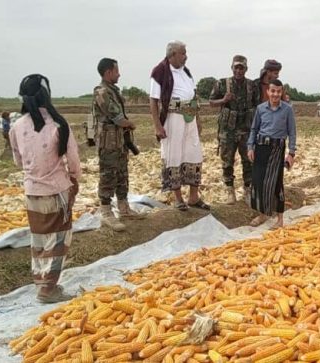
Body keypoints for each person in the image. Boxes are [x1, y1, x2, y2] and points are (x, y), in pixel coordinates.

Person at [9, 74, 80, 303]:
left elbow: (18, 161)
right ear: (46, 95)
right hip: (56, 192)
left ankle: (41, 282)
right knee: (58, 241)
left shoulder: (17, 126)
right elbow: (73, 160)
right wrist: (74, 180)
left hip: (32, 192)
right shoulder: (58, 123)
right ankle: (48, 289)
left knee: (39, 240)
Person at [149, 40, 210, 211]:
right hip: (173, 117)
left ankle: (193, 197)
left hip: (189, 116)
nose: (186, 56)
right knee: (173, 155)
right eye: (183, 53)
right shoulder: (160, 71)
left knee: (194, 153)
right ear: (173, 54)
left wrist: (198, 119)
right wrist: (157, 125)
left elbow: (194, 96)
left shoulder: (186, 72)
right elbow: (153, 100)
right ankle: (178, 198)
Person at [93, 58, 139, 232]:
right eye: (116, 71)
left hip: (119, 142)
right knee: (108, 175)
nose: (119, 74)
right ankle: (106, 212)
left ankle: (124, 208)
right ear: (108, 72)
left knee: (121, 174)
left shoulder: (113, 91)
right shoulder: (102, 92)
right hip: (109, 142)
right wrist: (129, 123)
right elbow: (116, 117)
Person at [247, 80, 296, 229]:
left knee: (276, 183)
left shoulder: (287, 110)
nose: (275, 94)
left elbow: (292, 133)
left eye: (278, 91)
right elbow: (254, 129)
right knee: (258, 182)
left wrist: (291, 153)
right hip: (261, 148)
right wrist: (250, 147)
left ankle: (280, 219)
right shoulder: (261, 109)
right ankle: (262, 214)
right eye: (272, 91)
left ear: (282, 93)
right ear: (267, 92)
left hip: (276, 149)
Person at [209, 55, 256, 205]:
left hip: (246, 130)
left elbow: (257, 105)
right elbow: (211, 102)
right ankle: (230, 190)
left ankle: (247, 190)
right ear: (232, 68)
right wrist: (223, 100)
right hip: (228, 131)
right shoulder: (222, 84)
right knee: (227, 162)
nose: (239, 70)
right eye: (236, 67)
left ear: (246, 69)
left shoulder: (251, 86)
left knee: (248, 161)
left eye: (241, 67)